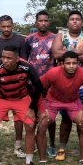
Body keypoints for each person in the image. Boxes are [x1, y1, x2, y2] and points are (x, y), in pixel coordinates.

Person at [0, 46, 43, 165]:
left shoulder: (26, 67)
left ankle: (29, 162)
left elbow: (38, 87)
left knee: (30, 124)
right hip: (1, 98)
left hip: (21, 98)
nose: (5, 60)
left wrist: (32, 108)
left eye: (9, 58)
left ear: (17, 58)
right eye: (3, 57)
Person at [51, 10, 83, 160]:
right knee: (65, 118)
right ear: (67, 23)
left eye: (78, 19)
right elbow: (56, 54)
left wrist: (67, 53)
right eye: (72, 19)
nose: (75, 21)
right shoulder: (60, 36)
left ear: (82, 23)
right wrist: (78, 51)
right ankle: (62, 148)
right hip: (64, 86)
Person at [37, 51, 83, 165]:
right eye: (68, 63)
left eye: (74, 63)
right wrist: (41, 110)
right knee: (42, 124)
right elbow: (38, 86)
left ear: (78, 63)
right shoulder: (53, 72)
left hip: (72, 102)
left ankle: (82, 160)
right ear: (62, 64)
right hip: (52, 101)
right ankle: (42, 161)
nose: (71, 66)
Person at [0, 15, 30, 159]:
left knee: (19, 119)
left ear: (13, 26)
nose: (6, 29)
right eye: (3, 26)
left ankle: (18, 146)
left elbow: (23, 61)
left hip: (18, 85)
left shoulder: (20, 40)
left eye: (8, 26)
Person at [26, 10, 57, 156]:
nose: (43, 23)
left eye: (46, 21)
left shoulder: (55, 38)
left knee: (50, 116)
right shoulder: (29, 39)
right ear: (36, 22)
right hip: (32, 82)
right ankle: (35, 142)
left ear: (48, 22)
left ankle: (51, 145)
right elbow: (25, 59)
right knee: (34, 113)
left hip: (50, 83)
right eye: (40, 21)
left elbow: (58, 59)